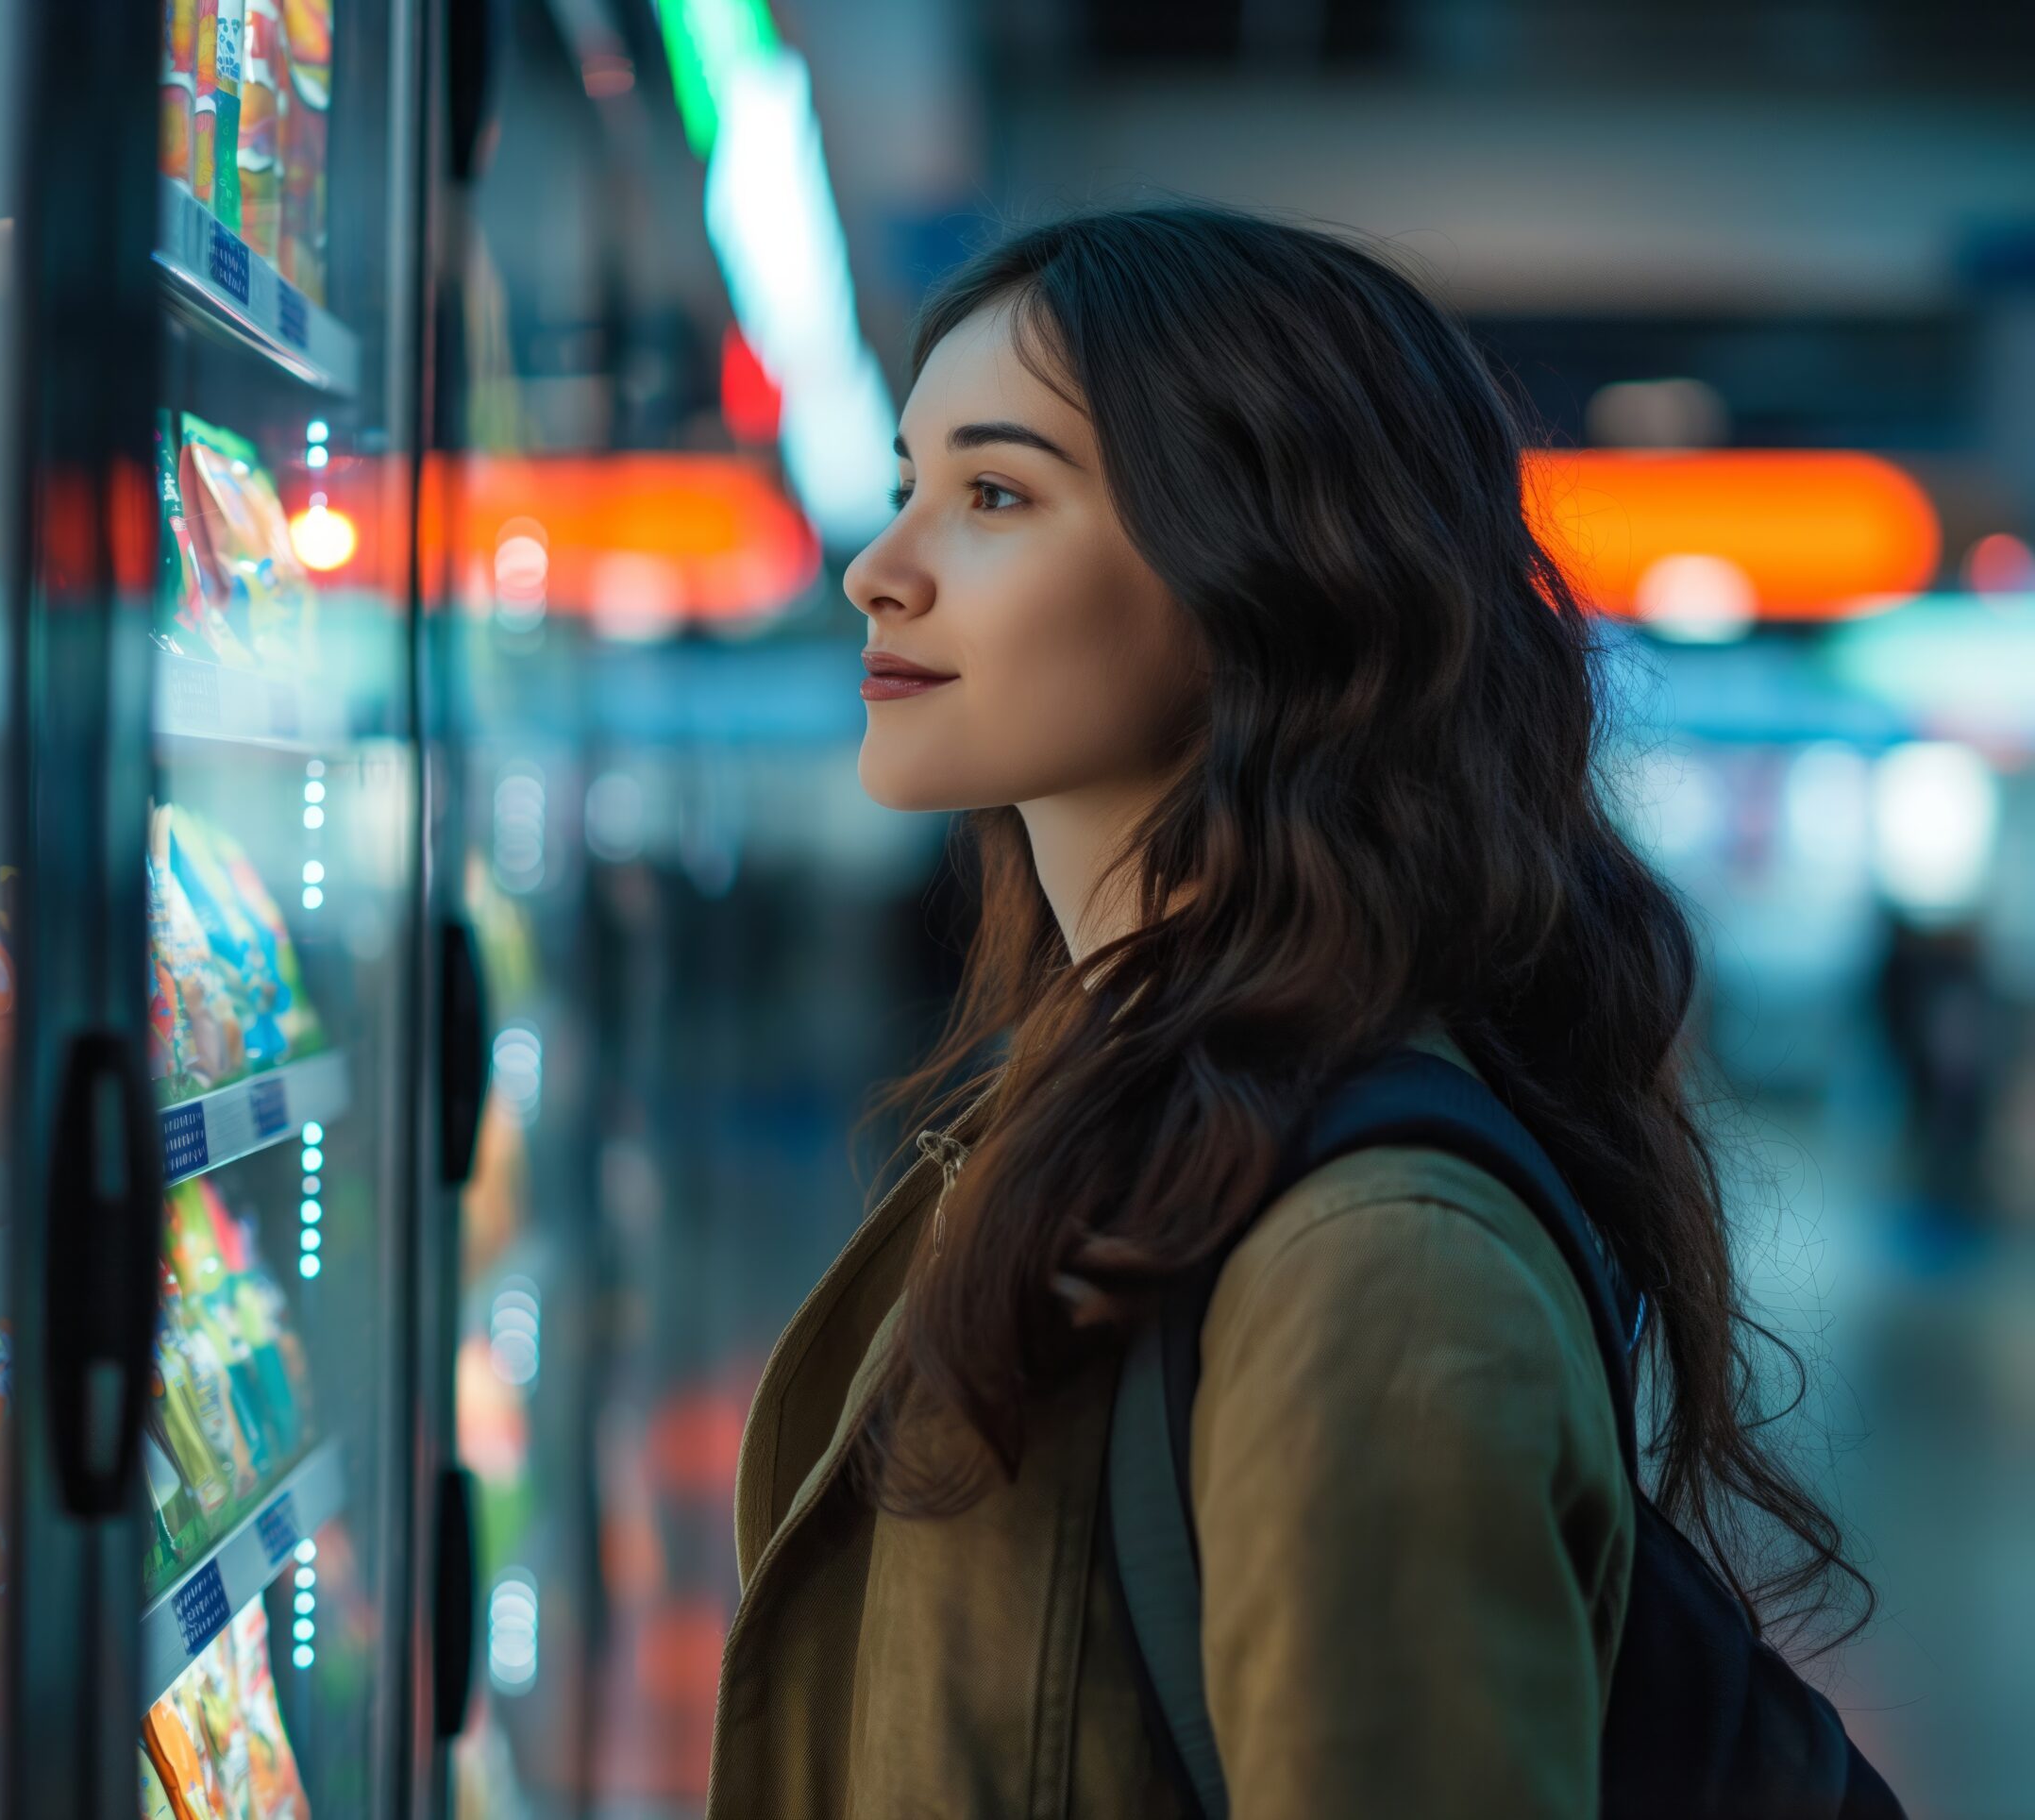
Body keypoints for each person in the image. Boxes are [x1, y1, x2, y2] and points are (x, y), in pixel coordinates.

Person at [704, 205, 1874, 1818]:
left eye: (994, 494)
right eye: (909, 485)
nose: (878, 569)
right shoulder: (1096, 1114)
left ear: (1258, 570)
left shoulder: (1368, 1261)